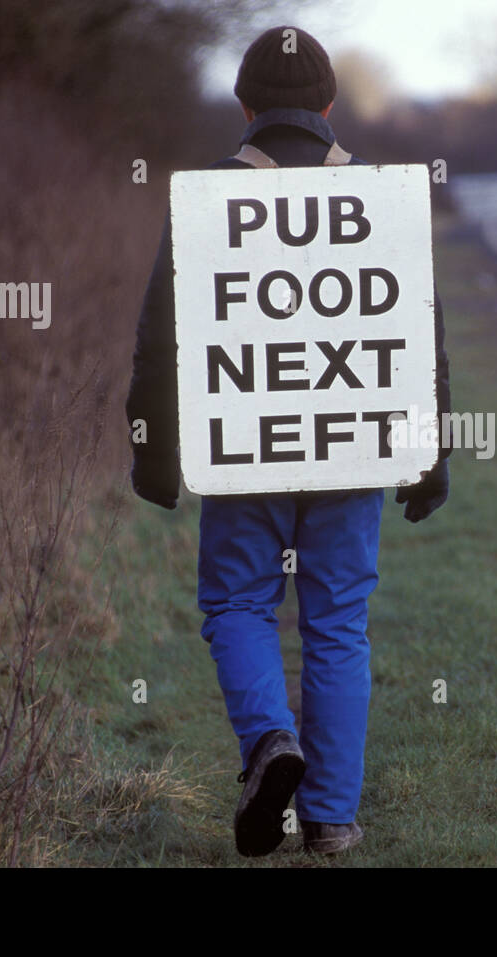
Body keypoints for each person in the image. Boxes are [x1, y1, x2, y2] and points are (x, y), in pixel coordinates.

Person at [124, 25, 451, 857]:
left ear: (244, 107)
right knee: (338, 620)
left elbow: (162, 333)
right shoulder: (375, 196)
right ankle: (331, 818)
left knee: (238, 603)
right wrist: (431, 448)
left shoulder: (209, 199)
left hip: (242, 452)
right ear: (330, 108)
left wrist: (153, 446)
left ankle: (272, 739)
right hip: (352, 447)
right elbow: (419, 333)